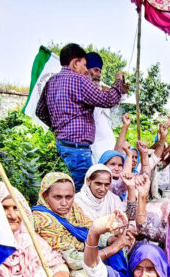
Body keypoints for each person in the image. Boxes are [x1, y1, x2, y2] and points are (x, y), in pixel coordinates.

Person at [36, 43, 126, 189]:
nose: (85, 70)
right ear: (75, 63)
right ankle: (79, 212)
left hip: (63, 144)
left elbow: (40, 112)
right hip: (78, 148)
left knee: (78, 185)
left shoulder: (51, 82)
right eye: (84, 65)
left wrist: (59, 127)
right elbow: (108, 100)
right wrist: (118, 81)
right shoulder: (79, 80)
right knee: (85, 189)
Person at [32, 172, 133, 277]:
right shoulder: (43, 219)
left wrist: (109, 240)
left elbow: (88, 229)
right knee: (93, 276)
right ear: (45, 196)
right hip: (62, 268)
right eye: (57, 197)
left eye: (69, 197)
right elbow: (72, 260)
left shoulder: (73, 209)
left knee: (119, 251)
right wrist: (112, 248)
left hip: (85, 255)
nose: (64, 203)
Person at [86, 52, 118, 164]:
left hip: (108, 141)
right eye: (95, 70)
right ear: (86, 70)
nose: (98, 74)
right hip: (93, 144)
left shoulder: (101, 87)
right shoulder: (82, 88)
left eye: (100, 71)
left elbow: (121, 98)